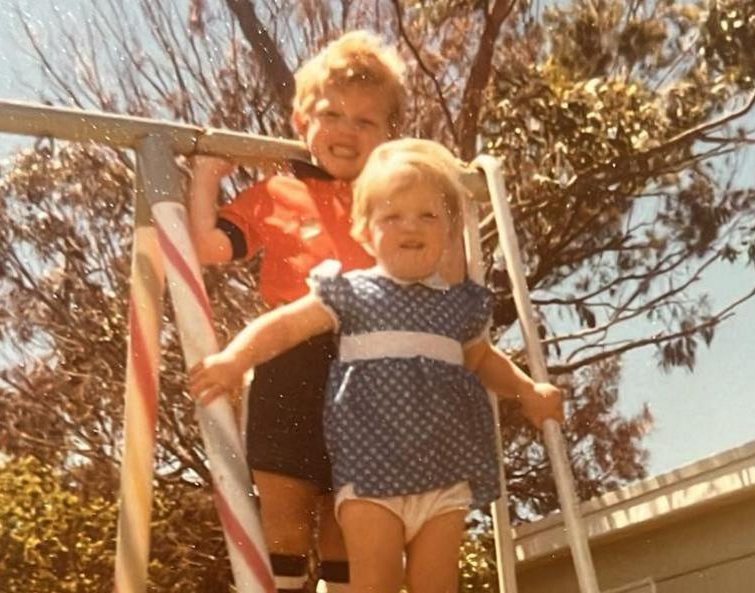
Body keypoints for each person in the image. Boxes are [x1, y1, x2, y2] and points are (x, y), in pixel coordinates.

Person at [189, 139, 564, 593]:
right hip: (370, 476)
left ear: (449, 230)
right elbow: (285, 327)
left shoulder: (457, 306)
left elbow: (481, 357)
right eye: (392, 216)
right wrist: (235, 359)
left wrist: (527, 391)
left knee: (437, 584)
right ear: (364, 232)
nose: (411, 226)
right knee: (374, 581)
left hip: (443, 476)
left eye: (428, 215)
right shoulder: (352, 293)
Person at [187, 30, 406, 593]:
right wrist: (208, 177)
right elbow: (210, 247)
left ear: (388, 134)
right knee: (283, 514)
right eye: (332, 114)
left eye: (366, 121)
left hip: (368, 371)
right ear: (300, 120)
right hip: (289, 363)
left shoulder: (391, 201)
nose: (347, 132)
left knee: (347, 523)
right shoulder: (276, 193)